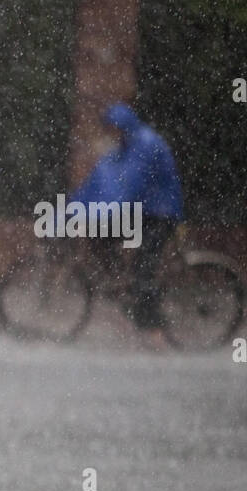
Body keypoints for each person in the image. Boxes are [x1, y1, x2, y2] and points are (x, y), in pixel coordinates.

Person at [71, 102, 184, 347]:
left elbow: (127, 187)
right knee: (98, 237)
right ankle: (123, 288)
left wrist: (101, 209)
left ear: (123, 126)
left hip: (160, 214)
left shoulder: (145, 144)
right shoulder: (122, 147)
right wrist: (72, 208)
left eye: (113, 129)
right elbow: (98, 183)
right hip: (139, 212)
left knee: (144, 270)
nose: (110, 134)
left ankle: (154, 328)